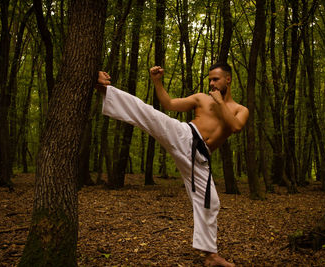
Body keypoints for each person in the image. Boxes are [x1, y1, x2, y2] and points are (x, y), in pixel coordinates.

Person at [95, 62, 248, 267]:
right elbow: (168, 104)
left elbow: (236, 126)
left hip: (200, 160)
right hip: (184, 136)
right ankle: (102, 88)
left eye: (216, 79)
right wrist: (157, 82)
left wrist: (220, 102)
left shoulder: (240, 109)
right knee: (149, 114)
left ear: (228, 79)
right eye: (210, 79)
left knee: (211, 202)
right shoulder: (201, 98)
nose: (211, 83)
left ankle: (210, 256)